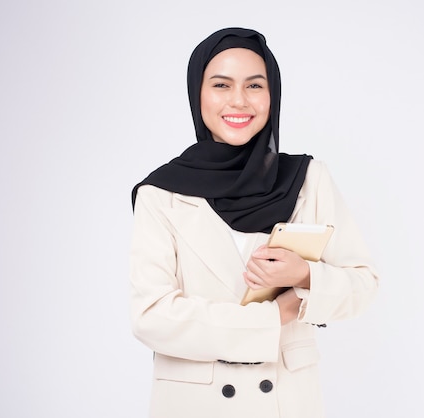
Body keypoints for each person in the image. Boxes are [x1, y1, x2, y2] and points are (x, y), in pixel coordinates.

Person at [129, 27, 379, 418]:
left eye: (255, 85)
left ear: (272, 94)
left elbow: (364, 283)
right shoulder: (160, 193)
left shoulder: (307, 178)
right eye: (221, 85)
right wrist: (270, 318)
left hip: (285, 401)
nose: (239, 101)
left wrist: (306, 277)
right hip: (195, 404)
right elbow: (151, 317)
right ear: (198, 93)